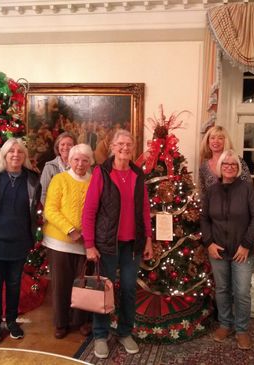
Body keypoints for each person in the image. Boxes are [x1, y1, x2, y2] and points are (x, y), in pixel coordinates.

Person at [82, 129, 153, 359]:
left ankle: (124, 332)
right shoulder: (101, 173)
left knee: (130, 289)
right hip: (106, 244)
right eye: (120, 144)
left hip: (132, 244)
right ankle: (101, 335)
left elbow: (144, 209)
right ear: (112, 147)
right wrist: (89, 244)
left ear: (133, 149)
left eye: (129, 144)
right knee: (104, 290)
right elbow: (90, 211)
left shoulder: (137, 174)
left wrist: (148, 240)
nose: (125, 148)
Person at [0, 138, 41, 343]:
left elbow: (34, 210)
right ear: (4, 155)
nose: (15, 155)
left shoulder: (32, 179)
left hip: (19, 244)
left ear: (25, 156)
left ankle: (12, 321)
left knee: (14, 285)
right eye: (11, 151)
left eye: (19, 152)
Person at [200, 149, 254, 350]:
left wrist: (245, 245)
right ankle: (225, 324)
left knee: (242, 292)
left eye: (233, 165)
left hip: (241, 250)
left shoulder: (247, 189)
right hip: (217, 250)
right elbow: (204, 219)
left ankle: (242, 329)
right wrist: (208, 242)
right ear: (220, 168)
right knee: (223, 289)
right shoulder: (212, 191)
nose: (229, 167)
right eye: (225, 164)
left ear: (238, 168)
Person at [42, 143, 94, 339]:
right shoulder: (59, 179)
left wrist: (88, 237)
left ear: (90, 162)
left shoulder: (94, 181)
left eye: (85, 160)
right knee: (61, 284)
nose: (80, 164)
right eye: (76, 159)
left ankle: (80, 321)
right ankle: (61, 323)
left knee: (82, 283)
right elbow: (50, 210)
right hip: (60, 242)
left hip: (85, 243)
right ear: (69, 161)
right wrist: (70, 230)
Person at [199, 125, 251, 198]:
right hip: (213, 208)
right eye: (212, 138)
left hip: (237, 206)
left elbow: (248, 186)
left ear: (225, 141)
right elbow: (203, 194)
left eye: (220, 138)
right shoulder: (204, 167)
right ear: (208, 141)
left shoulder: (237, 161)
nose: (215, 141)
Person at [40, 131, 77, 205]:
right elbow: (43, 193)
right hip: (53, 213)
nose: (65, 147)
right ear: (58, 147)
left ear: (75, 147)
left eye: (69, 144)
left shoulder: (80, 166)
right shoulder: (49, 167)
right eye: (62, 144)